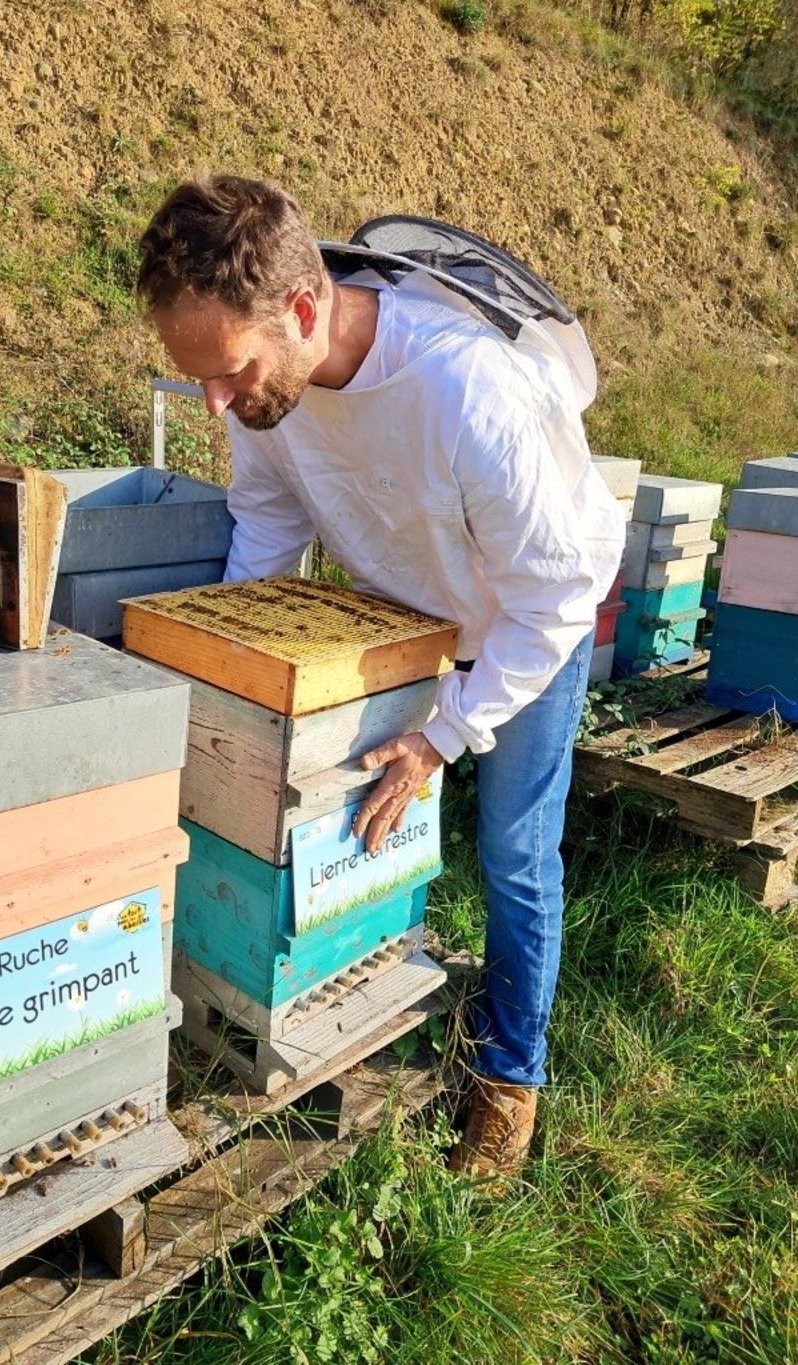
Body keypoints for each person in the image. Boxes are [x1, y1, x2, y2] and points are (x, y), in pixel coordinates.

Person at [136, 176, 625, 1183]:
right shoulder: (263, 385)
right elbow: (270, 522)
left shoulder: (469, 395)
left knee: (512, 853)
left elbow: (553, 599)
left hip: (527, 621)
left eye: (227, 372)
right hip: (403, 608)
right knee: (353, 808)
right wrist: (237, 671)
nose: (215, 401)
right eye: (201, 380)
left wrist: (446, 732)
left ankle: (508, 1081)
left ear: (304, 311)